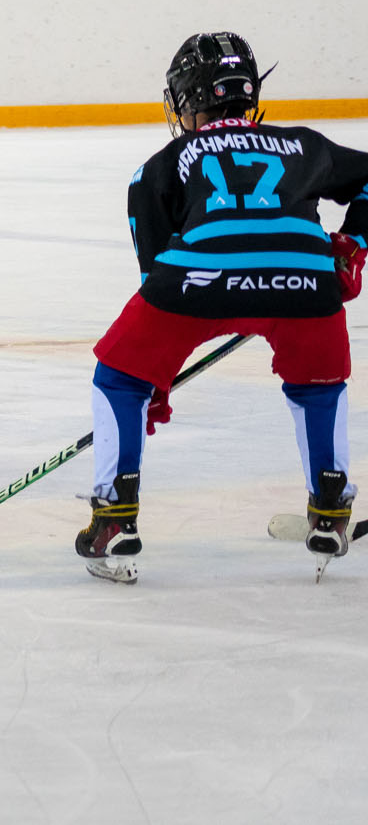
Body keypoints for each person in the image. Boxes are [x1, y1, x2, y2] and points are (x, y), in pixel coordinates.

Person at [76, 32, 368, 584]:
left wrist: (152, 380)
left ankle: (115, 518)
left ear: (186, 100)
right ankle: (330, 510)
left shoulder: (159, 166)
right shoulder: (305, 145)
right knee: (319, 385)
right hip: (306, 283)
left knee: (119, 378)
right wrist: (353, 245)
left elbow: (155, 276)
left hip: (199, 280)